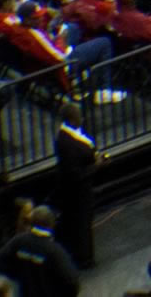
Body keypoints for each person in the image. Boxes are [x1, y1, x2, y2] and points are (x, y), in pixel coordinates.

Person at [0, 205, 81, 297]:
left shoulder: (19, 240)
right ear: (51, 224)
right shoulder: (54, 250)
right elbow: (72, 281)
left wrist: (19, 275)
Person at [54, 107, 98, 267]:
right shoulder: (65, 142)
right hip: (75, 190)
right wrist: (96, 166)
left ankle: (83, 255)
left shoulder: (73, 135)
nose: (82, 118)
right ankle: (84, 258)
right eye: (79, 115)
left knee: (84, 220)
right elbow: (74, 173)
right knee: (80, 221)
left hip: (83, 187)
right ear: (72, 119)